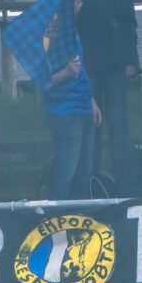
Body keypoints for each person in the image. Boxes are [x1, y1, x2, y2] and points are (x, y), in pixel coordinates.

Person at [71, 0, 140, 191]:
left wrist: (132, 60)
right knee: (92, 121)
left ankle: (125, 178)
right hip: (88, 63)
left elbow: (130, 25)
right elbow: (67, 23)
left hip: (116, 62)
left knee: (119, 121)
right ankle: (92, 176)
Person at [40, 39, 100, 201]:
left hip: (84, 106)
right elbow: (41, 80)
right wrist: (65, 73)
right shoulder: (48, 37)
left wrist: (90, 99)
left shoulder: (72, 32)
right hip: (63, 110)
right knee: (66, 169)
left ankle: (77, 212)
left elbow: (81, 71)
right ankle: (55, 214)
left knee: (85, 169)